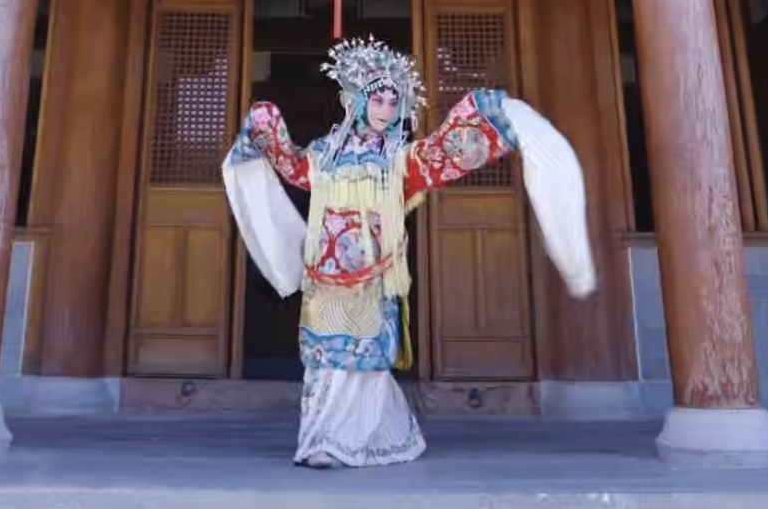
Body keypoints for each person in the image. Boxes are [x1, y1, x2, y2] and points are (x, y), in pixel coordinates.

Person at [221, 35, 597, 469]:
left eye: (392, 101)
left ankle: (345, 444)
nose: (385, 109)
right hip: (324, 280)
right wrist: (263, 129)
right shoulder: (323, 155)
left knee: (364, 363)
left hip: (373, 279)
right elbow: (289, 165)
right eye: (377, 99)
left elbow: (445, 154)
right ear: (356, 102)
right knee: (325, 361)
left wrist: (490, 115)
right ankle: (333, 439)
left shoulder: (401, 159)